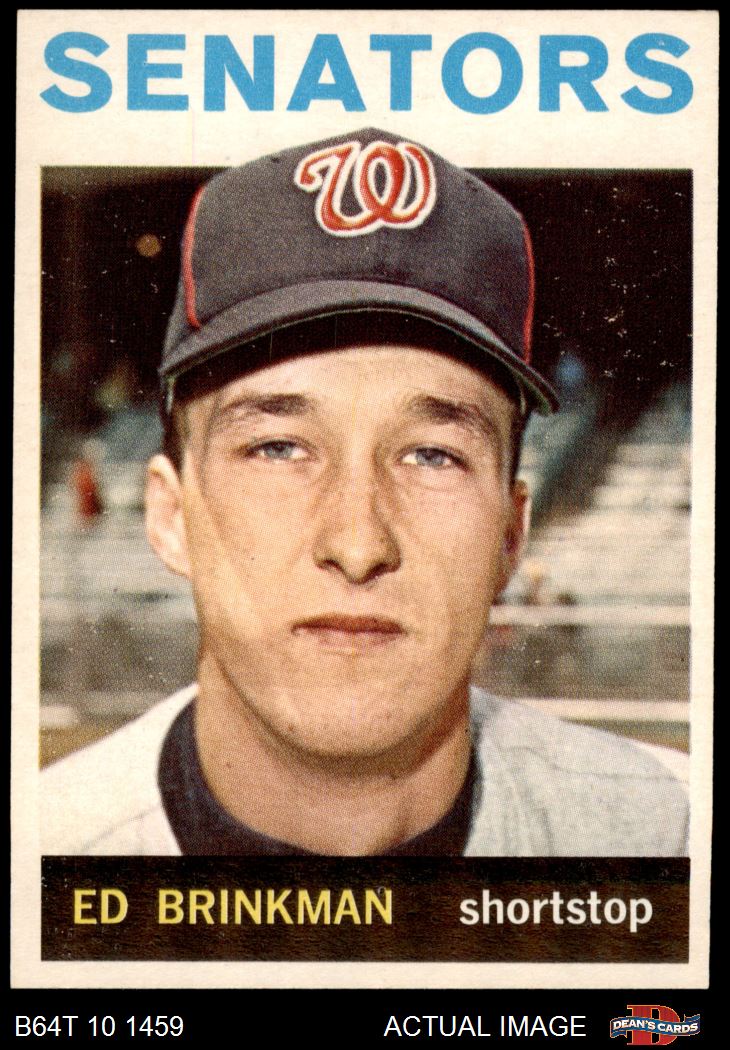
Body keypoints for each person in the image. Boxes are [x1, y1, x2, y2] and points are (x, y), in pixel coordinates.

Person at [41, 128, 688, 856]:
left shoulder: (671, 838)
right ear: (170, 516)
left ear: (511, 535)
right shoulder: (39, 855)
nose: (357, 544)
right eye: (278, 448)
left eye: (432, 456)